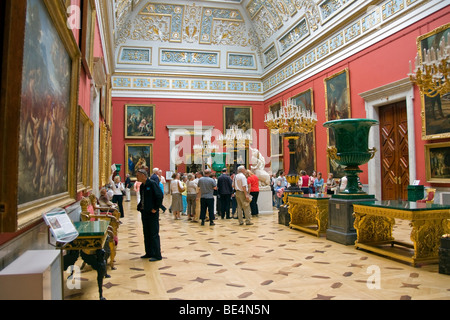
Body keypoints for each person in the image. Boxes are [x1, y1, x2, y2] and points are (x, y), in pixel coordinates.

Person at [136, 168, 164, 262]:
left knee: (153, 234)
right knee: (146, 233)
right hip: (145, 212)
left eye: (138, 175)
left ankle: (157, 255)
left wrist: (155, 208)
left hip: (152, 213)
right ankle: (149, 252)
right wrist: (140, 206)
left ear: (143, 176)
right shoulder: (142, 186)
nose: (136, 177)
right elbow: (143, 198)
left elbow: (159, 196)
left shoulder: (152, 184)